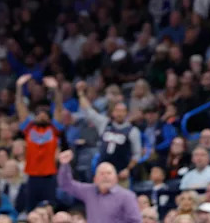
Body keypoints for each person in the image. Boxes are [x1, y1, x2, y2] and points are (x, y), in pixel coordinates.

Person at [17, 76, 65, 210]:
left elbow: (59, 109)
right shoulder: (29, 128)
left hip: (49, 177)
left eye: (45, 113)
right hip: (32, 177)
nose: (42, 115)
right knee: (31, 211)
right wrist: (19, 87)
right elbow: (20, 108)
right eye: (38, 113)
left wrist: (56, 89)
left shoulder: (54, 129)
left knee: (50, 209)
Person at [55, 150, 140, 223]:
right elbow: (66, 184)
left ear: (116, 178)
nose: (105, 176)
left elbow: (135, 221)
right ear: (95, 179)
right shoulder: (89, 191)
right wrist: (65, 164)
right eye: (102, 173)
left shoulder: (127, 196)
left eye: (109, 173)